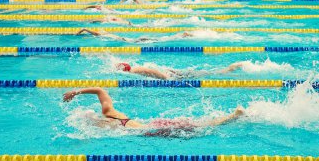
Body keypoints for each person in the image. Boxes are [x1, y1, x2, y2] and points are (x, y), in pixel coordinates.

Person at [62, 87, 245, 136]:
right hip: (153, 127)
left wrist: (76, 91)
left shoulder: (104, 122)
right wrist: (75, 92)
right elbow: (99, 90)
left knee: (198, 126)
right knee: (196, 125)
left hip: (151, 130)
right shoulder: (110, 113)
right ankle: (231, 116)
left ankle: (232, 117)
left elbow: (100, 90)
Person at [115, 61, 244, 80]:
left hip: (171, 75)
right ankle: (229, 69)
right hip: (171, 72)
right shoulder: (134, 69)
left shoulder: (135, 71)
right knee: (200, 74)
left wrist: (167, 79)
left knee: (209, 75)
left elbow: (151, 71)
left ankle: (230, 69)